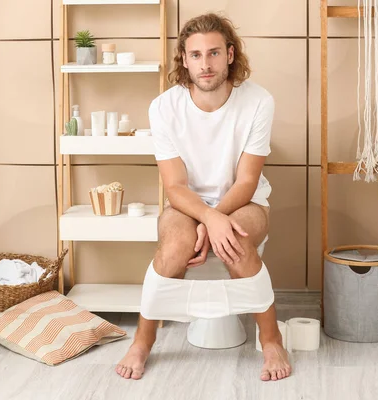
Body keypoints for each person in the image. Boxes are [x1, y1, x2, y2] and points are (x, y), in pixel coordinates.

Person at [115, 13, 291, 381]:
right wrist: (206, 219)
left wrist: (216, 220)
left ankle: (271, 340)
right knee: (175, 246)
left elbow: (246, 182)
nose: (205, 64)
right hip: (185, 206)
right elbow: (175, 187)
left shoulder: (258, 101)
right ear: (184, 59)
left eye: (213, 53)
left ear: (230, 54)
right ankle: (143, 342)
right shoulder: (164, 107)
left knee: (236, 243)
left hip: (245, 203)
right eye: (195, 55)